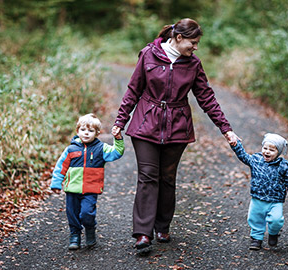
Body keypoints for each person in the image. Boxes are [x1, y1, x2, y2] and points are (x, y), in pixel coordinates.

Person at [111, 18, 240, 253]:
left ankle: (162, 226)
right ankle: (142, 233)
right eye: (193, 42)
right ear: (178, 38)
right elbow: (133, 89)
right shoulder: (148, 55)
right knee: (148, 176)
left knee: (167, 178)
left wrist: (226, 129)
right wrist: (121, 120)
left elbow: (207, 98)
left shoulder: (193, 64)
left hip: (177, 127)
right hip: (145, 124)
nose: (196, 47)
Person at [50, 113, 124, 250]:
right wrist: (56, 183)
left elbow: (117, 153)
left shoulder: (101, 149)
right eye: (83, 130)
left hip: (91, 189)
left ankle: (90, 229)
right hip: (72, 189)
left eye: (90, 131)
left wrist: (118, 139)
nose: (86, 133)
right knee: (72, 214)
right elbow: (61, 167)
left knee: (87, 213)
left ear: (97, 133)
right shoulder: (71, 149)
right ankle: (75, 235)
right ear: (77, 131)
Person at [230, 133, 288, 250]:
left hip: (275, 200)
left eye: (272, 150)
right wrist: (236, 144)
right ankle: (256, 238)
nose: (267, 152)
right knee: (255, 218)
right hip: (258, 198)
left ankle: (273, 233)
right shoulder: (256, 160)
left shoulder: (283, 166)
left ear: (278, 152)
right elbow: (243, 156)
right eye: (265, 148)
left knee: (276, 219)